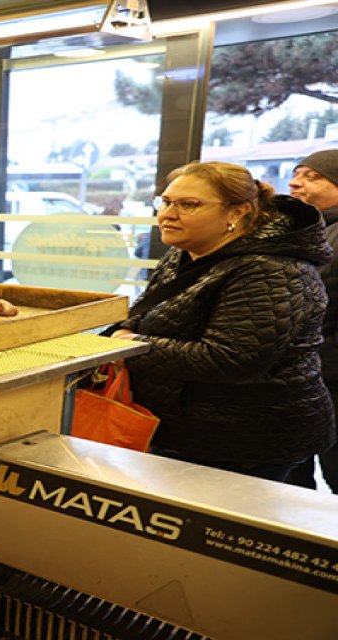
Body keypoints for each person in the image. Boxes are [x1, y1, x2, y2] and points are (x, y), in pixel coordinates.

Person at [111, 161, 335, 486]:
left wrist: (130, 345)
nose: (168, 214)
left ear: (237, 212)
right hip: (185, 429)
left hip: (247, 443)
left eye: (189, 205)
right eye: (166, 202)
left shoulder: (272, 270)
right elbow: (147, 316)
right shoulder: (183, 255)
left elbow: (230, 358)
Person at [288, 149, 338, 491]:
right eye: (297, 174)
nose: (295, 182)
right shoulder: (303, 231)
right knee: (291, 476)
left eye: (312, 176)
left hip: (330, 376)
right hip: (297, 375)